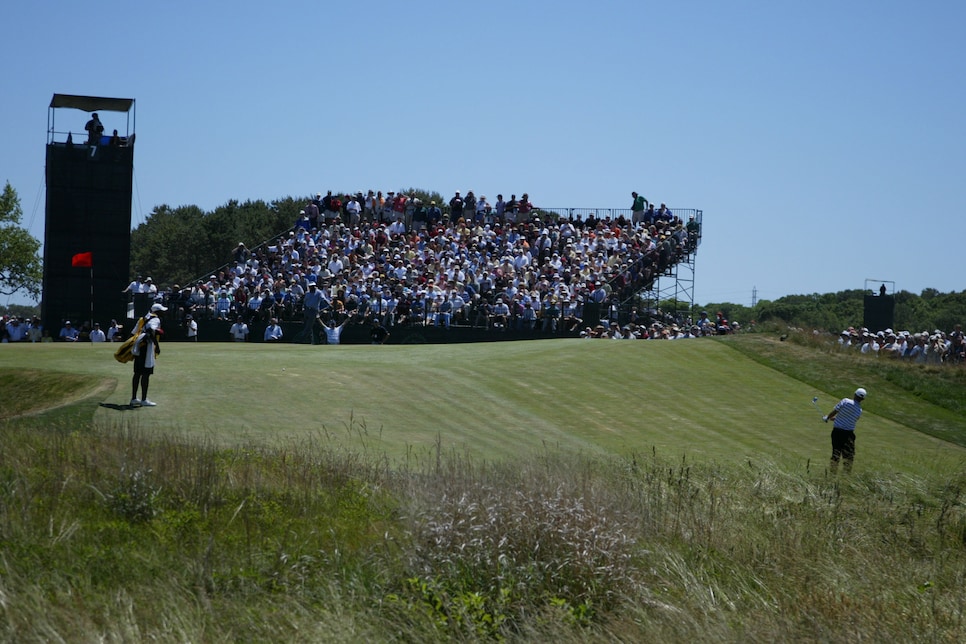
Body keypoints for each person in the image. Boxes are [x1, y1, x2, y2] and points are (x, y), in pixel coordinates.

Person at [823, 387, 867, 474]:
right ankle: (846, 475)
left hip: (837, 433)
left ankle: (833, 474)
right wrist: (835, 419)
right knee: (848, 457)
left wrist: (827, 417)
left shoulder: (845, 401)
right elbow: (851, 419)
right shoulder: (859, 410)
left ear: (855, 394)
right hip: (849, 435)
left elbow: (836, 411)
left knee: (836, 453)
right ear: (862, 399)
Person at [130, 303, 166, 407]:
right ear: (157, 312)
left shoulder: (143, 318)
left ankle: (133, 398)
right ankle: (144, 399)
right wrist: (157, 345)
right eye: (162, 311)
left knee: (137, 373)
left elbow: (133, 332)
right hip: (146, 348)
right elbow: (151, 329)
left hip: (139, 346)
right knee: (146, 373)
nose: (163, 313)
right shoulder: (156, 319)